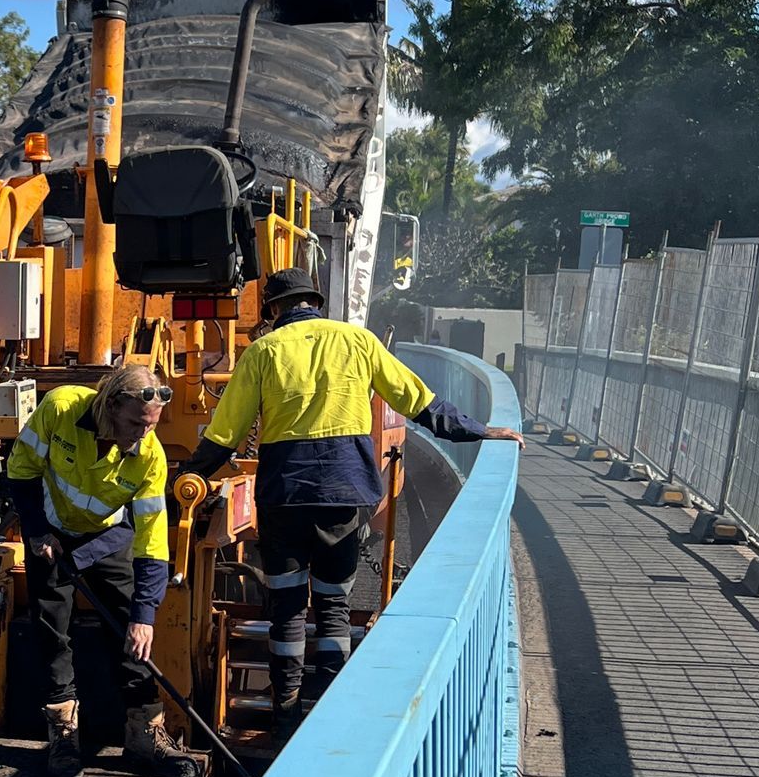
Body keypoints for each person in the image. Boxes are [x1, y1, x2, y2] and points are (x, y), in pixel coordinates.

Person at [184, 268, 523, 720]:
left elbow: (225, 436)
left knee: (286, 604)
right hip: (346, 488)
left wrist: (186, 478)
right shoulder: (360, 342)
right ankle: (327, 711)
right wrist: (481, 430)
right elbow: (419, 402)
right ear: (316, 303)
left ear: (271, 310)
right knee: (332, 602)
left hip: (285, 493)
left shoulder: (262, 351)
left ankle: (284, 710)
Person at [8, 362, 197, 777]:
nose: (142, 434)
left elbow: (152, 540)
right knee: (51, 628)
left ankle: (145, 734)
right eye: (135, 423)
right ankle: (63, 733)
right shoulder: (60, 409)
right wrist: (37, 530)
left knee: (128, 629)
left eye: (151, 426)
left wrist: (144, 614)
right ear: (110, 405)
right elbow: (21, 468)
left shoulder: (150, 456)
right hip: (52, 534)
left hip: (109, 538)